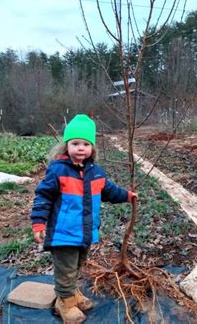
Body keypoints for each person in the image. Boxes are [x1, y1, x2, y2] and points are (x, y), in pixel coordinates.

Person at [31, 114, 137, 323]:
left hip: (85, 233)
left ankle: (72, 293)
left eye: (86, 144)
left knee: (78, 264)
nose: (81, 148)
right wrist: (38, 222)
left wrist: (127, 195)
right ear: (66, 146)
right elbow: (43, 197)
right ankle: (65, 302)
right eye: (75, 143)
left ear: (92, 148)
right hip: (63, 234)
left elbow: (109, 191)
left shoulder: (96, 173)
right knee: (66, 269)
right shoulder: (58, 171)